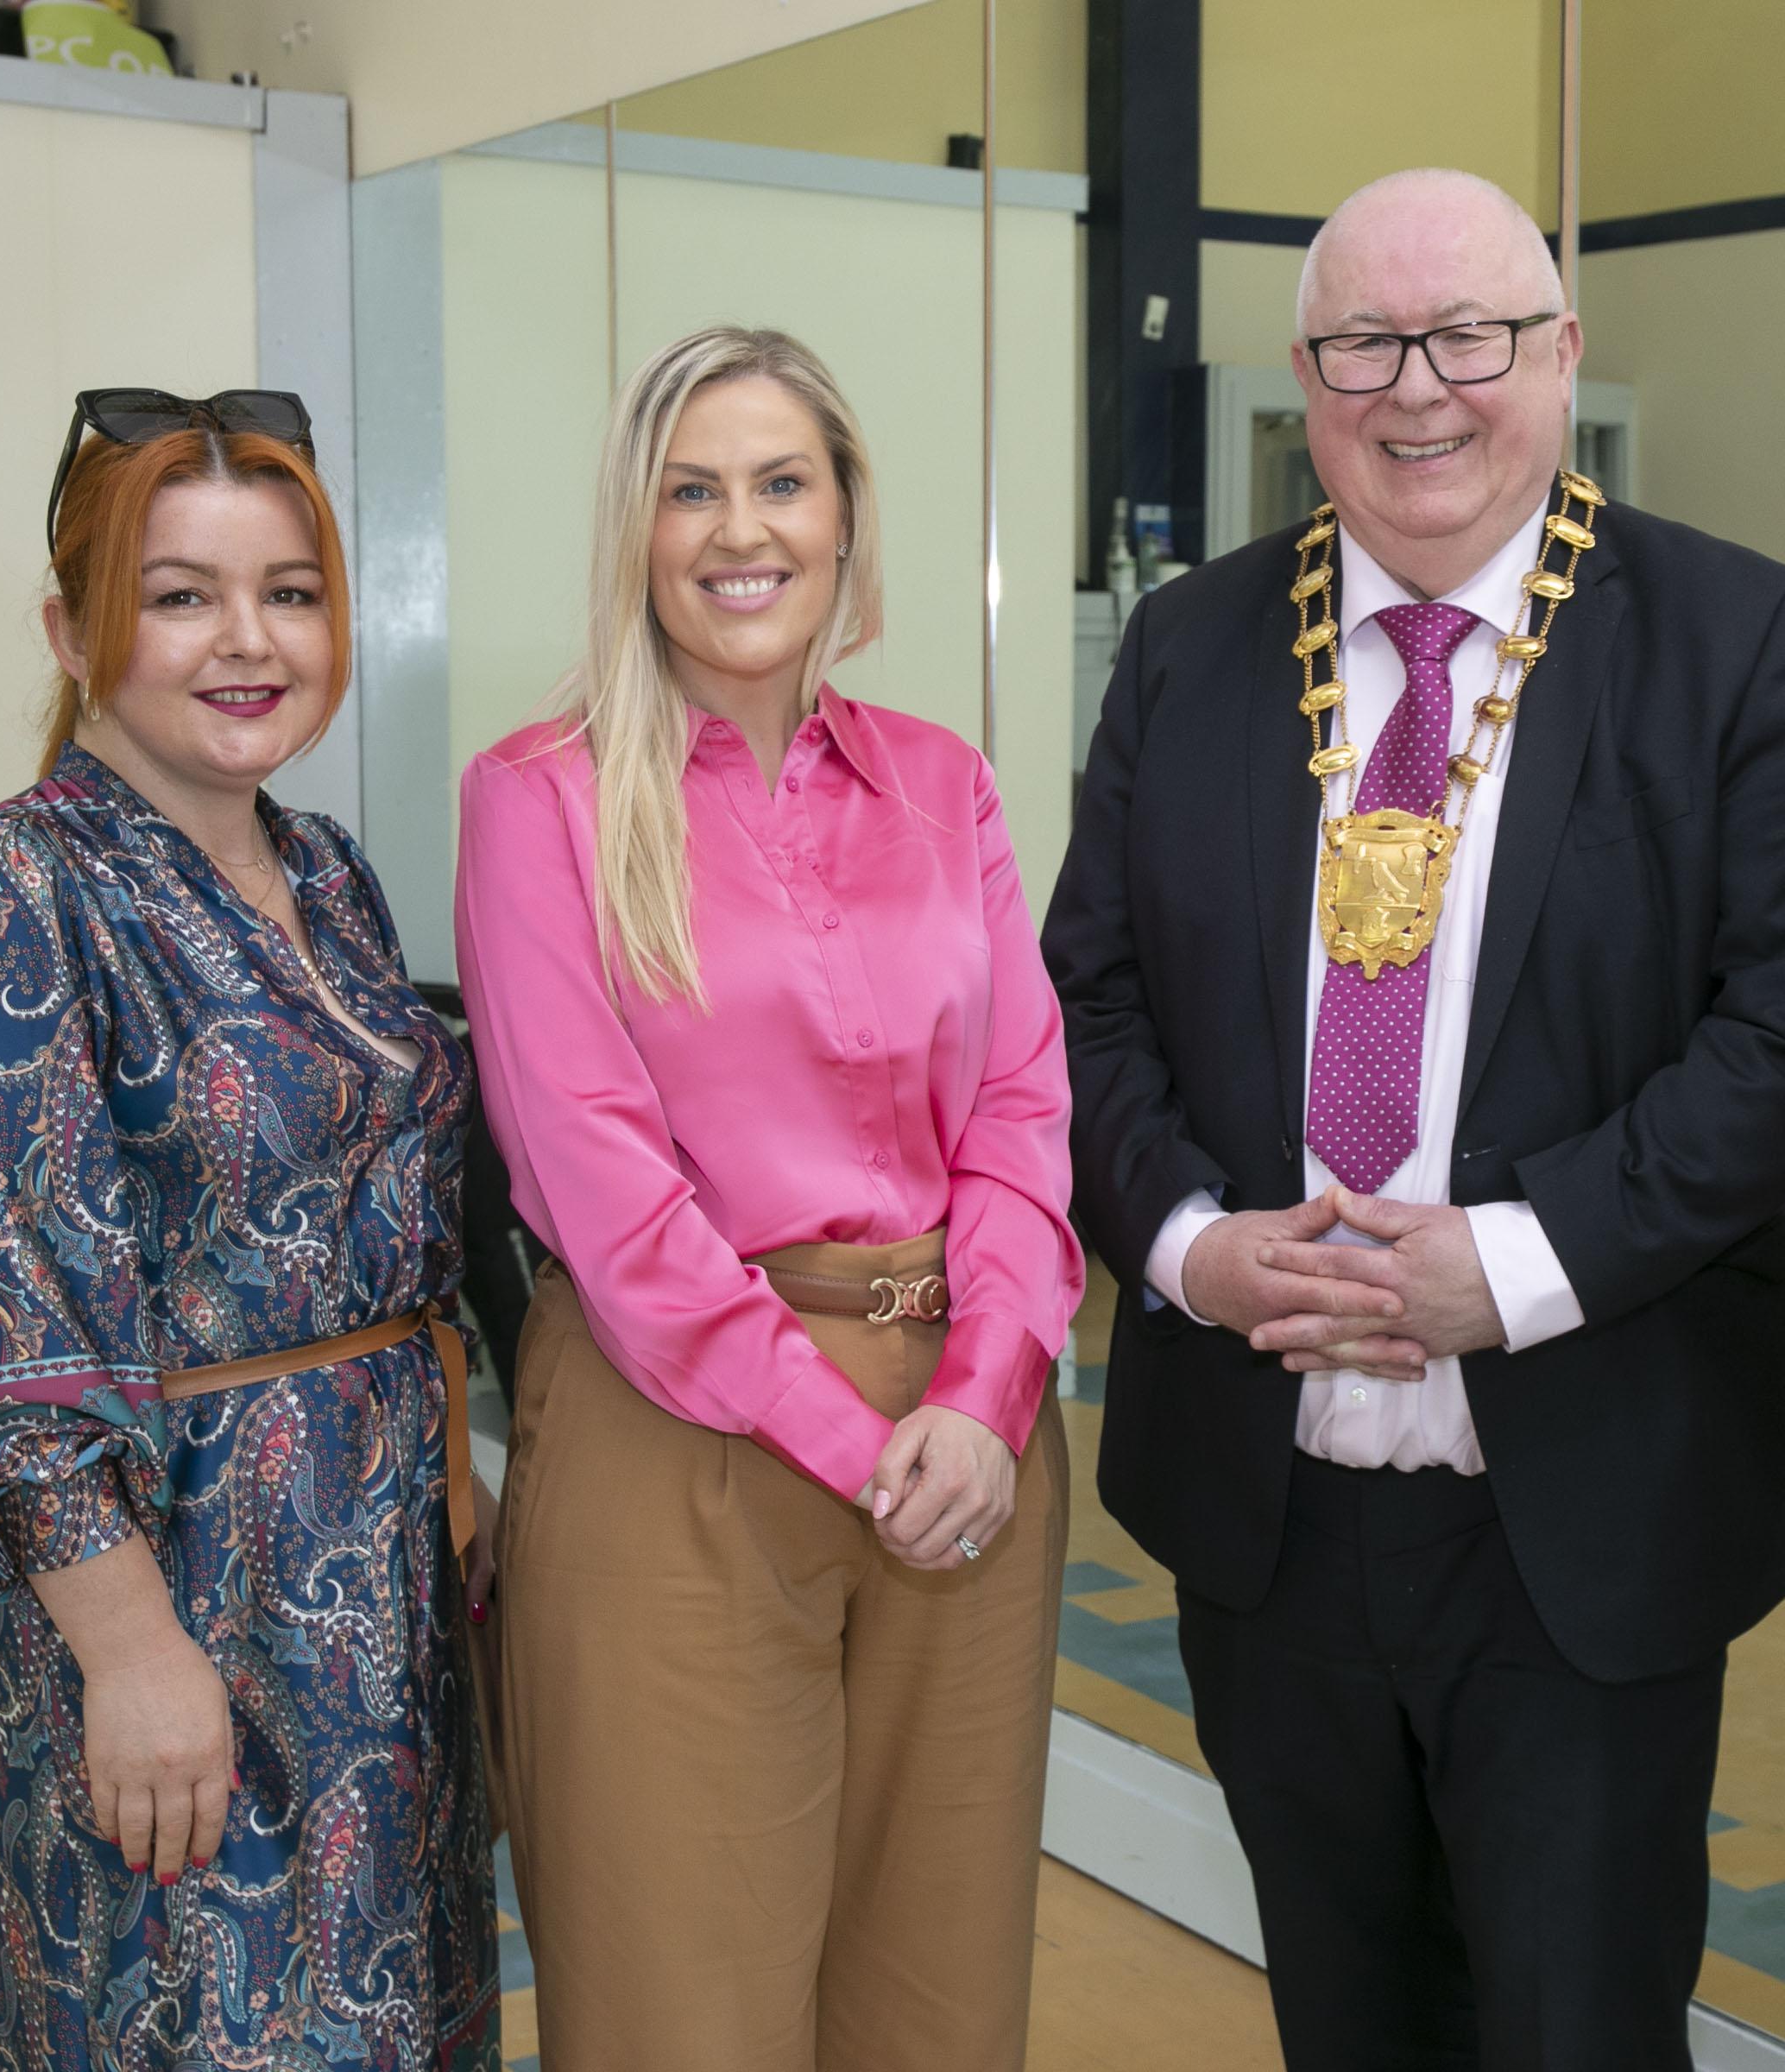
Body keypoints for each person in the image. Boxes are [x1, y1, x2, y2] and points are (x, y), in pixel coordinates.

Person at [1042, 167, 1785, 2068]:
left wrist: (1510, 1266)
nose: (1419, 390)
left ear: (1561, 356)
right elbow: (1078, 1003)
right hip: (1269, 1496)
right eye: (1363, 345)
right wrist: (1189, 1245)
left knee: (1576, 2030)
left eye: (1470, 338)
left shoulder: (1728, 639)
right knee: (1349, 2024)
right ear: (1305, 370)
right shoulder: (1190, 650)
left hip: (1587, 1494)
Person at [0, 392, 499, 2069]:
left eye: (290, 591)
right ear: (73, 629)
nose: (248, 641)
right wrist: (133, 1654)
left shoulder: (330, 873)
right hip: (176, 1590)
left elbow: (387, 1214)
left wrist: (454, 1466)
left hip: (383, 1601)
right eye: (182, 593)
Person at [455, 326, 1080, 2070]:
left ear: (845, 517)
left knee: (937, 1999)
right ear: (637, 533)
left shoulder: (941, 781)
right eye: (692, 488)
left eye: (784, 483)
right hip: (688, 1442)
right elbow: (598, 1189)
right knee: (686, 2008)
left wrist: (984, 1395)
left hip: (967, 1452)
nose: (744, 531)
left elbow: (1025, 1108)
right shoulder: (541, 801)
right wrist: (844, 1430)